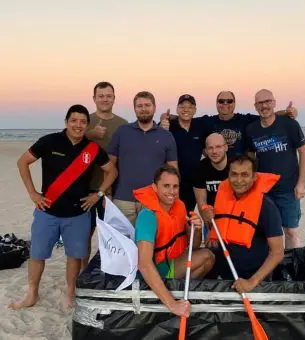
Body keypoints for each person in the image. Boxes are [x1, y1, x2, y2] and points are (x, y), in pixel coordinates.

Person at [9, 105, 117, 309]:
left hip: (78, 214)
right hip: (47, 211)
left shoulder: (92, 149)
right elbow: (22, 162)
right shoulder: (49, 141)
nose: (78, 125)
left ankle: (69, 293)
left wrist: (98, 194)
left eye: (83, 122)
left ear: (87, 125)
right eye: (74, 120)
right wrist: (33, 194)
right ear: (66, 122)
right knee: (37, 255)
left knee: (75, 256)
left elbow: (112, 172)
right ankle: (32, 294)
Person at [134, 166, 215, 317]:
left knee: (208, 257)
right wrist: (172, 305)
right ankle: (169, 298)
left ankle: (176, 291)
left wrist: (197, 229)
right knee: (206, 256)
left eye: (175, 186)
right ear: (154, 187)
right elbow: (144, 264)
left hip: (172, 262)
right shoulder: (148, 216)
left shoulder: (180, 206)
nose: (172, 191)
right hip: (157, 270)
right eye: (166, 186)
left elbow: (194, 246)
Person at [207, 154, 284, 293]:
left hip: (250, 277)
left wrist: (252, 282)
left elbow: (278, 253)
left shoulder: (266, 207)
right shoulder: (223, 198)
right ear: (228, 175)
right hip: (223, 273)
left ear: (254, 177)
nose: (238, 180)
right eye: (234, 174)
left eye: (245, 175)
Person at [246, 89, 305, 249]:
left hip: (288, 188)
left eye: (267, 101)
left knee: (291, 231)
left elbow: (303, 152)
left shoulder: (289, 124)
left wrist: (301, 183)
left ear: (274, 103)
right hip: (263, 190)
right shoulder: (251, 130)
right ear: (255, 106)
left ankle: (293, 266)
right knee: (267, 232)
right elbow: (250, 159)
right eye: (260, 103)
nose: (264, 106)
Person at [108, 91, 178, 225]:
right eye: (139, 106)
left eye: (147, 105)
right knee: (121, 243)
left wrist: (173, 198)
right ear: (134, 109)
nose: (143, 109)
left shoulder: (166, 136)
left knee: (150, 242)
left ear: (154, 107)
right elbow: (110, 165)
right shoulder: (122, 132)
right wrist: (108, 194)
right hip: (123, 200)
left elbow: (173, 170)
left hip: (153, 199)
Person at [160, 90, 298, 158]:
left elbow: (266, 115)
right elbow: (186, 118)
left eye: (229, 101)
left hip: (239, 173)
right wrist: (166, 118)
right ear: (216, 103)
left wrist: (286, 113)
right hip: (216, 171)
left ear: (234, 103)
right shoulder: (207, 121)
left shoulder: (245, 120)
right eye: (221, 101)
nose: (225, 104)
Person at [82, 81, 128, 270]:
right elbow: (69, 144)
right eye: (101, 96)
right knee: (84, 234)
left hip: (113, 190)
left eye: (109, 96)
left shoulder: (123, 125)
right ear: (94, 98)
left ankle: (107, 270)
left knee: (111, 235)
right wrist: (90, 134)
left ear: (114, 98)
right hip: (85, 188)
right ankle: (84, 272)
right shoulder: (84, 121)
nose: (105, 99)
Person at [166, 94, 211, 212]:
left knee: (191, 216)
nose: (186, 109)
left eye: (190, 107)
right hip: (174, 181)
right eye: (182, 106)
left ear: (195, 110)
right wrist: (163, 122)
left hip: (195, 182)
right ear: (177, 109)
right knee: (174, 214)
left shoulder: (200, 126)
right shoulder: (169, 126)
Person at [193, 133, 230, 229]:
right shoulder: (200, 169)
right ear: (205, 151)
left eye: (218, 147)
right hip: (212, 219)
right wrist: (211, 229)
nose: (214, 151)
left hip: (234, 217)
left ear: (226, 147)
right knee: (211, 242)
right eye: (210, 148)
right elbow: (202, 205)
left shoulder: (236, 165)